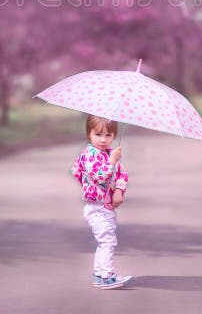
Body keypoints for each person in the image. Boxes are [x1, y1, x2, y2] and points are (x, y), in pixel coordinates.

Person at [71, 115, 133, 289]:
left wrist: (119, 190)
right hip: (96, 206)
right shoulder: (89, 154)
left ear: (114, 135)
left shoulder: (109, 153)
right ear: (89, 134)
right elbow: (99, 176)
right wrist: (112, 161)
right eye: (98, 134)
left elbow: (122, 174)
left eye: (108, 135)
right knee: (107, 241)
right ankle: (105, 276)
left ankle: (101, 273)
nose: (103, 139)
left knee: (106, 241)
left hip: (106, 206)